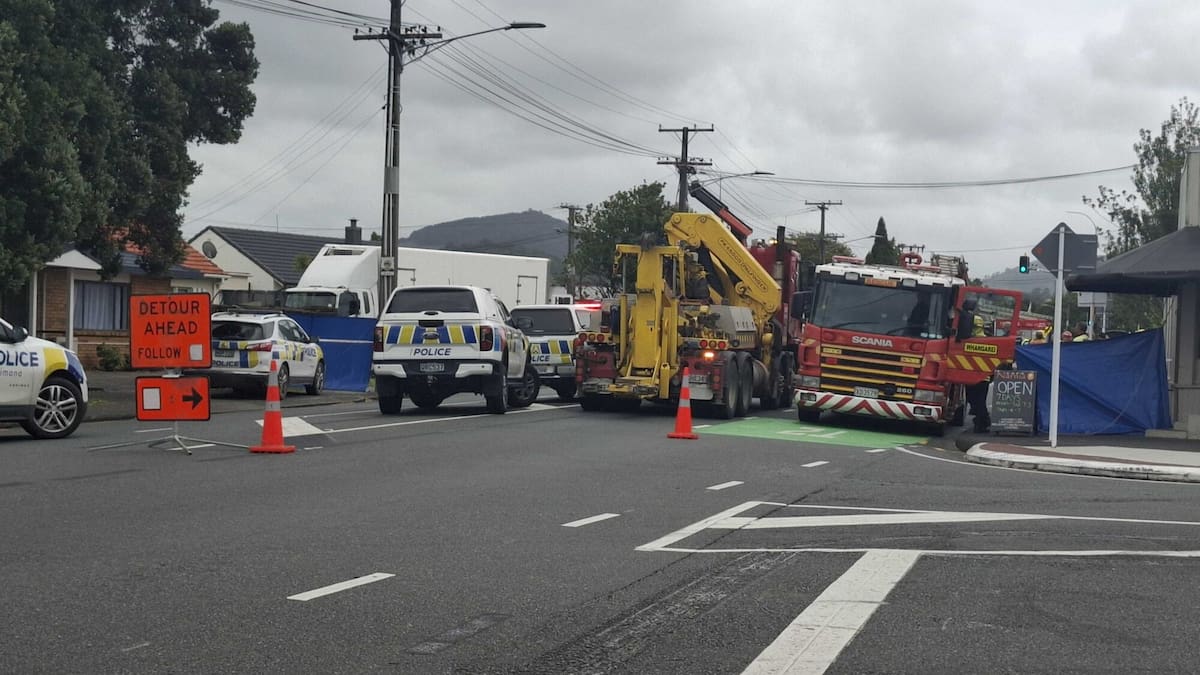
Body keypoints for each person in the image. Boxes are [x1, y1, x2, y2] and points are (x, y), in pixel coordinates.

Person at [958, 298, 991, 432]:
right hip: (981, 375)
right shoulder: (985, 339)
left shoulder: (969, 318)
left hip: (976, 375)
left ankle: (982, 423)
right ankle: (981, 422)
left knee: (975, 400)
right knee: (978, 400)